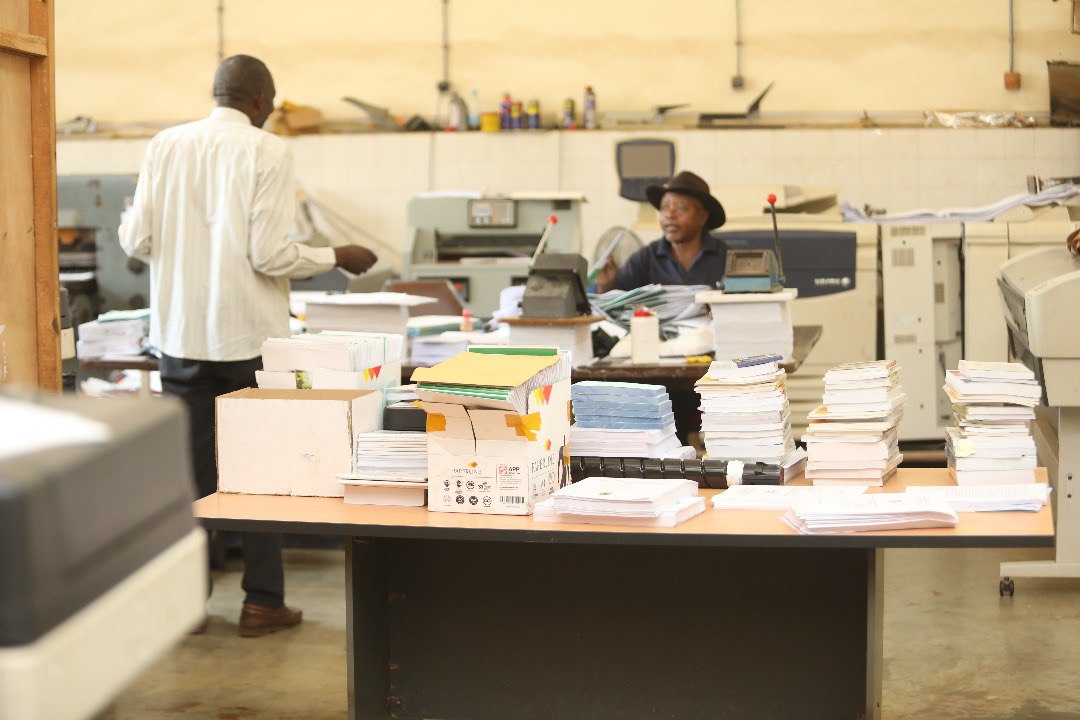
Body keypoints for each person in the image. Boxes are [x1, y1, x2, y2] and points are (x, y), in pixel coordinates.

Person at [119, 55, 377, 637]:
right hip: (247, 342)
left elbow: (136, 240)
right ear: (260, 101)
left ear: (219, 93)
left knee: (188, 474)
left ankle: (186, 608)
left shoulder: (165, 145)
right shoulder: (268, 151)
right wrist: (336, 256)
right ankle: (262, 603)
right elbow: (270, 255)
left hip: (180, 340)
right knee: (255, 469)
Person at [595, 170, 728, 293]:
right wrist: (606, 285)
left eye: (680, 208)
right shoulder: (645, 259)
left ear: (702, 216)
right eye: (664, 207)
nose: (669, 214)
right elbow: (614, 304)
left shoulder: (727, 258)